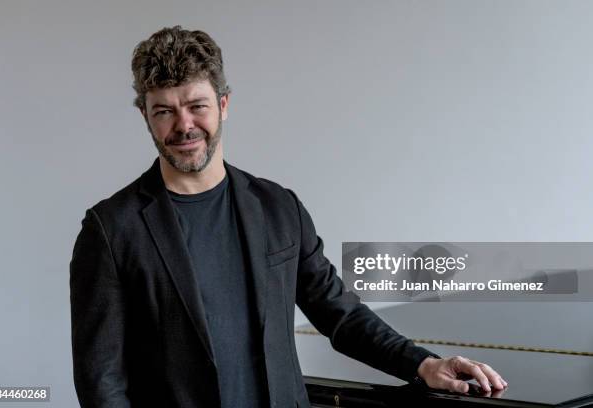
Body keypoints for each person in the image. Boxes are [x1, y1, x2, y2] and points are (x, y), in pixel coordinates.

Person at [69, 26, 506, 408]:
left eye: (196, 106)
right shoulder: (111, 229)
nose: (183, 125)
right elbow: (100, 379)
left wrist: (423, 363)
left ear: (223, 104)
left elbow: (341, 315)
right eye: (164, 110)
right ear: (145, 116)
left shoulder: (279, 207)